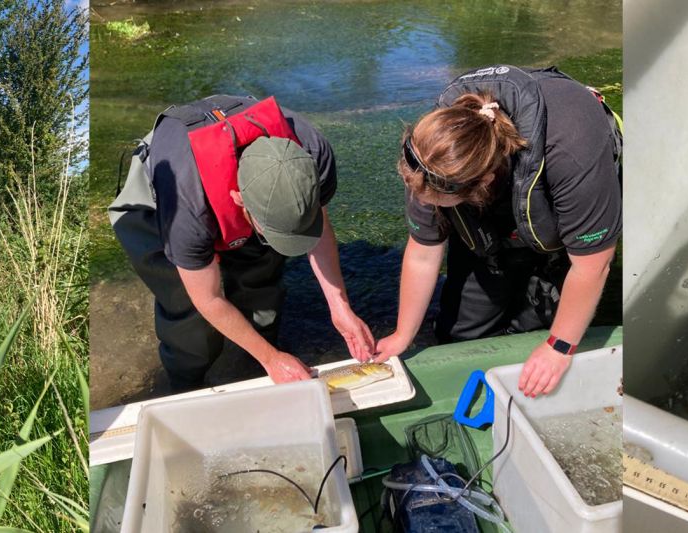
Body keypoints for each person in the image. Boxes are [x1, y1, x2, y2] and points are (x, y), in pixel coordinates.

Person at [370, 65, 622, 398]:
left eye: (435, 201)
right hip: (480, 193)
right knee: (459, 331)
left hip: (561, 185)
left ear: (483, 184)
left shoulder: (573, 148)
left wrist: (558, 347)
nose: (420, 201)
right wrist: (403, 335)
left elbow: (592, 266)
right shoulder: (429, 157)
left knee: (538, 323)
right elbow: (422, 252)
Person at [107, 95, 376, 391]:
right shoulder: (186, 206)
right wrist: (272, 359)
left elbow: (318, 226)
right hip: (161, 196)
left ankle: (253, 367)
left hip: (237, 176)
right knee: (187, 316)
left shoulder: (313, 151)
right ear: (238, 199)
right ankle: (185, 384)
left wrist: (340, 307)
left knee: (261, 285)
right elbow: (207, 298)